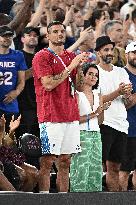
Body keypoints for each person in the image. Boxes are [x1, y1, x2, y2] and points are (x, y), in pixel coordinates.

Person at [32, 20, 89, 193]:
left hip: (70, 115)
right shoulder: (42, 56)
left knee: (66, 161)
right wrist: (72, 65)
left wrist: (79, 68)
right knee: (48, 160)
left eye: (62, 31)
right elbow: (48, 84)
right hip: (51, 116)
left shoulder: (71, 57)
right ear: (47, 36)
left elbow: (79, 87)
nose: (60, 34)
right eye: (55, 31)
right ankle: (44, 198)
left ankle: (64, 199)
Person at [96, 36, 132, 191]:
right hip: (104, 123)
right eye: (106, 50)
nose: (109, 53)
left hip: (121, 125)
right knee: (98, 166)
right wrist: (118, 92)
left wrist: (128, 94)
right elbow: (96, 100)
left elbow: (127, 101)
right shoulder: (94, 72)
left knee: (116, 168)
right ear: (98, 53)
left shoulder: (121, 72)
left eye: (111, 49)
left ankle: (114, 199)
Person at [70, 62, 111, 192]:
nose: (93, 77)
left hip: (96, 134)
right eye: (90, 74)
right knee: (81, 169)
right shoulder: (77, 94)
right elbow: (74, 119)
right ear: (83, 75)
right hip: (81, 134)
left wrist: (102, 110)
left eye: (96, 75)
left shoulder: (99, 95)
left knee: (95, 169)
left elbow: (99, 121)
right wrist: (95, 113)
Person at [0, 25, 27, 131]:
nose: (7, 38)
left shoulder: (18, 55)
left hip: (10, 106)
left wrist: (16, 92)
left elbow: (21, 81)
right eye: (4, 36)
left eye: (10, 36)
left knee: (9, 142)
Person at [119, 41, 136, 191]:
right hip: (128, 130)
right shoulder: (121, 74)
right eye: (134, 53)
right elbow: (126, 104)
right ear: (127, 55)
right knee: (123, 171)